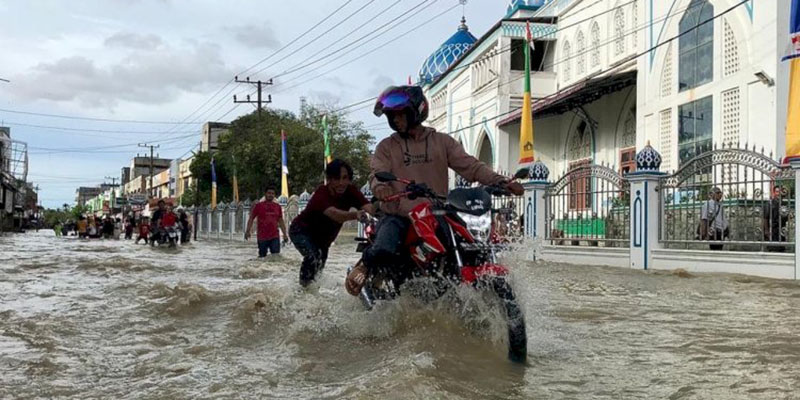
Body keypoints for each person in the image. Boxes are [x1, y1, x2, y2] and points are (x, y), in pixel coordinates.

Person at [345, 86, 523, 295]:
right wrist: (381, 188)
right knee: (385, 246)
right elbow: (377, 173)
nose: (396, 120)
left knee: (470, 246)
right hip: (399, 214)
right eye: (392, 116)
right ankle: (364, 265)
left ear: (416, 111)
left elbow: (471, 167)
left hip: (437, 213)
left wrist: (502, 181)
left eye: (401, 114)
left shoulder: (442, 142)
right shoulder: (386, 147)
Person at [290, 159, 375, 287]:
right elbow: (335, 215)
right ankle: (302, 291)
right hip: (300, 231)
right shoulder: (321, 194)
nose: (341, 183)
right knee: (313, 257)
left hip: (324, 241)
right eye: (336, 178)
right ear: (329, 179)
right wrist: (355, 215)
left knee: (318, 271)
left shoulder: (351, 191)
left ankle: (311, 295)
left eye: (345, 178)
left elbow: (370, 208)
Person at [245, 187, 288, 257]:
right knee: (262, 257)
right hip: (262, 237)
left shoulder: (277, 207)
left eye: (272, 193)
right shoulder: (259, 206)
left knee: (276, 257)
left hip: (275, 236)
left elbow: (281, 221)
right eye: (269, 193)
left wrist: (285, 234)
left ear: (274, 195)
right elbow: (251, 218)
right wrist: (247, 231)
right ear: (265, 194)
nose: (270, 195)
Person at [699, 187, 729, 251]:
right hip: (714, 232)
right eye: (718, 193)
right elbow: (704, 219)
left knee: (719, 249)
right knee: (715, 250)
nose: (720, 194)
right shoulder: (708, 204)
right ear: (711, 194)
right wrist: (704, 233)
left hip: (722, 232)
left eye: (721, 193)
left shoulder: (720, 204)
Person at [763, 185, 788, 252]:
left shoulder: (783, 203)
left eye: (780, 191)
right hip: (773, 230)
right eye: (777, 191)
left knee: (782, 249)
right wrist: (766, 230)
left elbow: (786, 217)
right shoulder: (769, 203)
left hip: (781, 230)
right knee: (773, 248)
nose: (779, 193)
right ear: (774, 193)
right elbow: (765, 218)